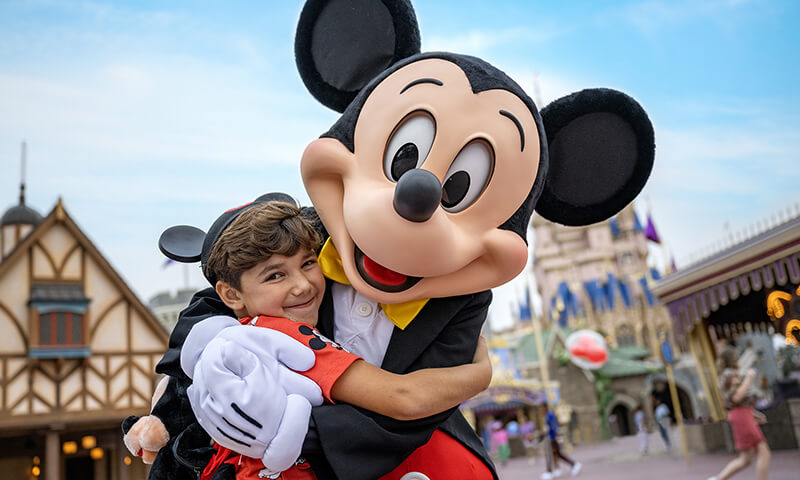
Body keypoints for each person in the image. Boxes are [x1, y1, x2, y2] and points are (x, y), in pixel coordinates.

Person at [131, 201, 493, 480]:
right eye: (275, 276)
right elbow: (402, 397)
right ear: (230, 294)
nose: (302, 285)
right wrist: (479, 376)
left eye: (308, 263)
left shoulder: (240, 337)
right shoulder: (287, 337)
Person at [707, 347, 771, 480]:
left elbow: (736, 403)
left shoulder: (726, 374)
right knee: (764, 453)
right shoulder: (731, 374)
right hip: (741, 416)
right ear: (733, 359)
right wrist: (749, 377)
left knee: (745, 459)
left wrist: (753, 414)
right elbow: (736, 397)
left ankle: (717, 479)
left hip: (740, 415)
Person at [542, 404, 581, 478]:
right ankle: (558, 468)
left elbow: (554, 426)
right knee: (556, 454)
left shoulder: (550, 415)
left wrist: (556, 436)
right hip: (551, 437)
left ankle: (550, 471)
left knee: (551, 454)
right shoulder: (548, 415)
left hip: (552, 438)